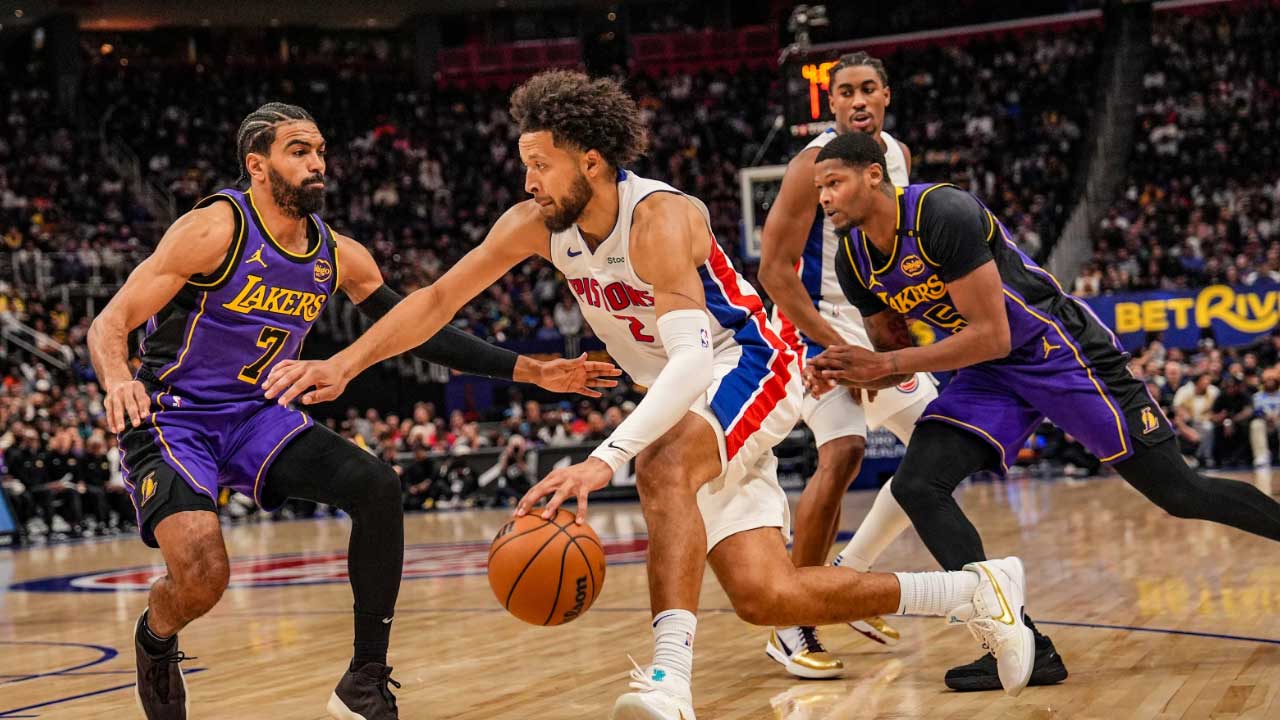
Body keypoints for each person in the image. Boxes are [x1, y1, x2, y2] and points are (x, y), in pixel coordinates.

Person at [263, 71, 1041, 718]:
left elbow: (692, 362)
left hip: (745, 364)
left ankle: (669, 680)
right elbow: (432, 303)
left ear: (592, 162)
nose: (528, 182)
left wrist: (601, 463)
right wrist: (347, 365)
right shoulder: (537, 224)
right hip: (686, 393)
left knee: (663, 465)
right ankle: (974, 592)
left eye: (540, 164)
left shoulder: (662, 218)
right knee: (768, 598)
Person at [86, 101, 619, 720]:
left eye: (319, 151)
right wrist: (118, 377)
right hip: (175, 417)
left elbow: (419, 328)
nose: (317, 164)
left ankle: (365, 679)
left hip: (261, 414)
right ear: (256, 166)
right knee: (203, 577)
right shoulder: (213, 230)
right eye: (298, 152)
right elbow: (111, 321)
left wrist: (535, 371)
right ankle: (155, 638)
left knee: (377, 485)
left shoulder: (339, 254)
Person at [807, 131, 1280, 691]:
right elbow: (892, 352)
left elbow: (994, 333)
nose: (825, 199)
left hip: (1059, 352)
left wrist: (885, 367)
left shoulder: (942, 213)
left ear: (874, 176)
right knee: (918, 485)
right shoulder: (856, 262)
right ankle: (1020, 643)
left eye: (834, 183)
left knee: (1180, 493)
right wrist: (844, 368)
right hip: (989, 373)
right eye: (819, 188)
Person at [757, 50, 935, 677]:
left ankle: (845, 579)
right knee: (843, 452)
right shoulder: (809, 166)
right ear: (830, 105)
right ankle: (792, 620)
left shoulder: (899, 155)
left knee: (943, 448)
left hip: (875, 325)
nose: (857, 101)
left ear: (886, 97)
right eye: (845, 93)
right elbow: (773, 272)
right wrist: (830, 347)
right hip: (811, 323)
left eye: (868, 89)